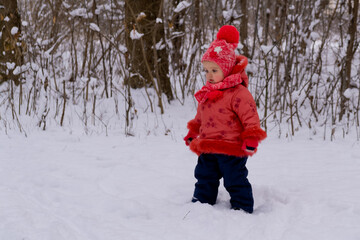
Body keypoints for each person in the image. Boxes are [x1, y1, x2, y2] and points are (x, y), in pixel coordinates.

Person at [184, 25, 267, 213]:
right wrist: (193, 132)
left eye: (214, 70)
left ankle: (242, 205)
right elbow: (201, 117)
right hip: (208, 145)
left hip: (231, 148)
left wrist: (251, 137)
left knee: (234, 178)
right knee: (204, 176)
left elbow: (250, 117)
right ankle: (202, 203)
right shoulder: (207, 93)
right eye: (206, 70)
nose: (209, 75)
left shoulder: (238, 93)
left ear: (227, 69)